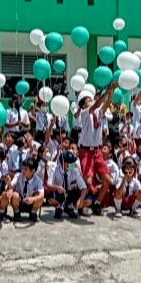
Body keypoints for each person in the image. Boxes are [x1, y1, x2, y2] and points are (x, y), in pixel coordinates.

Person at [77, 83, 117, 215]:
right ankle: (83, 202)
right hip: (85, 151)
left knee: (107, 180)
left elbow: (106, 104)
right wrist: (105, 93)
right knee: (88, 181)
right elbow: (96, 105)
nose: (92, 100)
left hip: (97, 151)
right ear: (83, 104)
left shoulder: (98, 113)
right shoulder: (84, 113)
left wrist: (111, 91)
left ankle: (97, 203)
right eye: (88, 99)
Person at [48, 150, 89, 219]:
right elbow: (48, 185)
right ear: (63, 163)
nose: (72, 164)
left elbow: (84, 188)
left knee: (83, 196)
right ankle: (59, 207)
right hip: (60, 193)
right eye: (69, 162)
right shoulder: (54, 169)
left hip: (71, 193)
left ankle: (70, 208)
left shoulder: (75, 171)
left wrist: (81, 200)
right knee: (50, 198)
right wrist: (57, 187)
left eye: (72, 162)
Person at [10, 156, 44, 222]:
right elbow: (12, 184)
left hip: (31, 203)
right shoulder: (18, 175)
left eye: (26, 169)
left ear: (33, 171)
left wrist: (32, 199)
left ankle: (33, 213)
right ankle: (16, 213)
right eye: (22, 168)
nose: (23, 171)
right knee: (14, 195)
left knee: (39, 197)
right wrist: (9, 183)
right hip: (20, 202)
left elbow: (42, 195)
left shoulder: (38, 180)